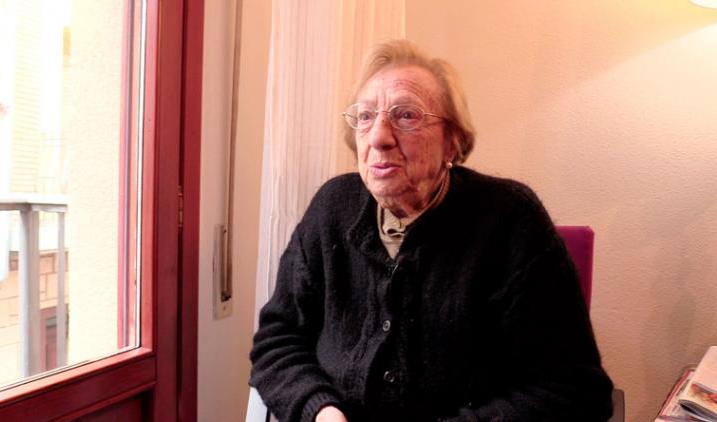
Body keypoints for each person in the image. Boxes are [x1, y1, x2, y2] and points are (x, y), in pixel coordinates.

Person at [250, 39, 613, 422]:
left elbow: (574, 390)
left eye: (406, 115)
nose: (378, 137)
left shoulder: (511, 221)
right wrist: (320, 410)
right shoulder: (331, 209)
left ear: (452, 142)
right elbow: (278, 340)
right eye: (365, 116)